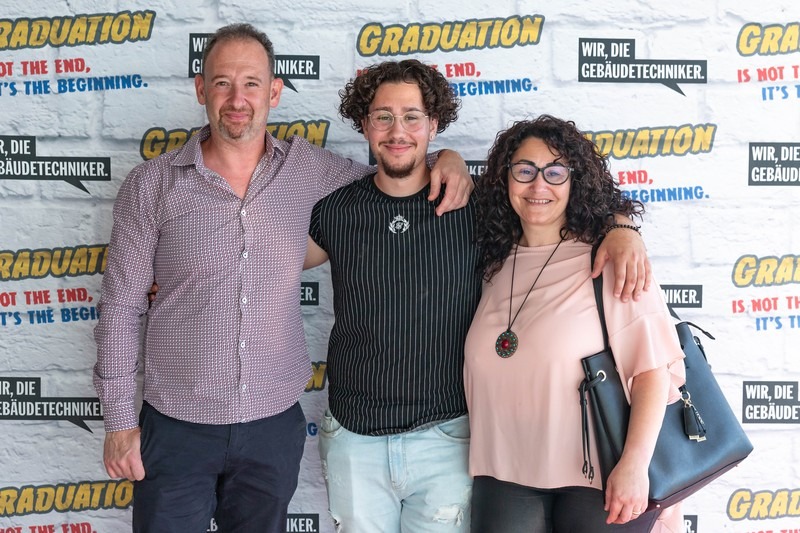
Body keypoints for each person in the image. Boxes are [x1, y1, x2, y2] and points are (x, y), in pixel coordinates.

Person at [92, 24, 473, 533]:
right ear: (201, 89)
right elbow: (120, 308)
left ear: (274, 91)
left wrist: (448, 159)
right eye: (222, 82)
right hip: (177, 424)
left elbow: (394, 171)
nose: (237, 99)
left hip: (272, 426)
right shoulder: (152, 184)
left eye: (251, 83)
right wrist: (119, 421)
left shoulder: (308, 170)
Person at [303, 62, 653, 533]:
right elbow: (267, 265)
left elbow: (550, 201)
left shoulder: (474, 211)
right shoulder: (336, 210)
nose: (397, 131)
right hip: (355, 435)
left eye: (412, 117)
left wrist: (622, 227)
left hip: (448, 437)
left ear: (433, 124)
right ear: (364, 124)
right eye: (383, 117)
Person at [464, 115, 687, 532]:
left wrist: (635, 465)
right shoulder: (493, 262)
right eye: (524, 170)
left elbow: (653, 370)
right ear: (504, 178)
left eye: (555, 172)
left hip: (599, 476)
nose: (538, 185)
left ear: (575, 182)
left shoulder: (610, 259)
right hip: (502, 475)